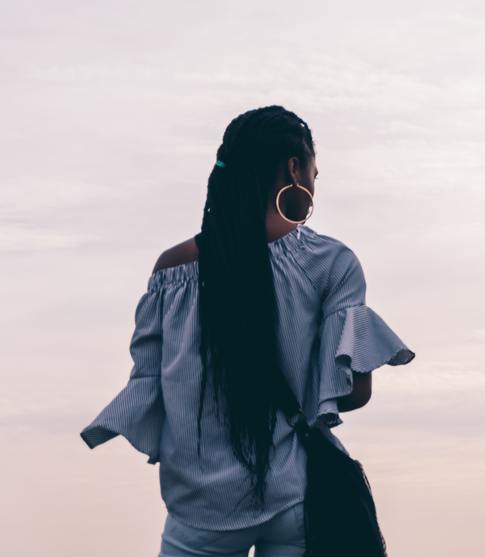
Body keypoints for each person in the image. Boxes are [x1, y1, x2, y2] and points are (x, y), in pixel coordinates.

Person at [79, 105, 416, 557]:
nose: (315, 180)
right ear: (294, 168)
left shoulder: (171, 271)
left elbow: (153, 389)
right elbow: (353, 393)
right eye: (315, 169)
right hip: (290, 495)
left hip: (199, 507)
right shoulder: (331, 264)